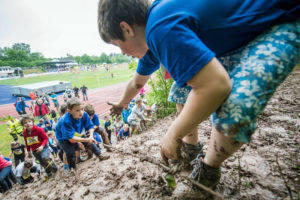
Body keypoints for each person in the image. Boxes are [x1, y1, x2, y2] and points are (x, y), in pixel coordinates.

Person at [98, 0, 300, 189]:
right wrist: (122, 104)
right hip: (236, 40)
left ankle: (207, 170)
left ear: (126, 28)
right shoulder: (153, 36)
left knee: (236, 107)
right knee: (181, 89)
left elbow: (215, 86)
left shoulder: (160, 29)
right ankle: (190, 149)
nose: (122, 52)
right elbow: (137, 82)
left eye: (117, 44)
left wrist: (173, 133)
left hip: (279, 22)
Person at [59, 98, 110, 171]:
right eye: (77, 110)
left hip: (76, 132)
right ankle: (72, 168)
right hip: (63, 136)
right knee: (69, 151)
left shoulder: (84, 114)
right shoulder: (65, 120)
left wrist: (91, 136)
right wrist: (86, 139)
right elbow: (71, 138)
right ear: (69, 111)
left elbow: (90, 126)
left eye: (82, 109)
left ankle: (100, 155)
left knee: (88, 141)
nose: (81, 112)